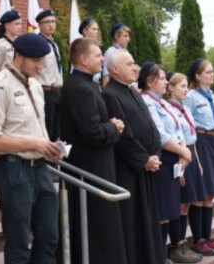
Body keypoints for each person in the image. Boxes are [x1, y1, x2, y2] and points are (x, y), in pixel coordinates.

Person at [0, 33, 63, 263]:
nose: (40, 66)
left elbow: (35, 129)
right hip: (13, 169)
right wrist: (34, 144)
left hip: (41, 169)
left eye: (42, 60)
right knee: (18, 241)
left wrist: (49, 148)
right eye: (35, 60)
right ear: (19, 56)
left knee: (49, 236)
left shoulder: (36, 86)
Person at [59, 38, 128, 264]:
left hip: (95, 164)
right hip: (90, 166)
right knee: (97, 225)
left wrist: (108, 126)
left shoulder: (86, 84)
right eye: (98, 56)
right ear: (83, 59)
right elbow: (93, 133)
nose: (102, 60)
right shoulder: (81, 88)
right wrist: (114, 127)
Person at [102, 49, 164, 264]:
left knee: (148, 220)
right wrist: (144, 160)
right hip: (129, 170)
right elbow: (124, 136)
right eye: (129, 64)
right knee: (134, 221)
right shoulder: (110, 94)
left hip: (146, 166)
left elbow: (151, 126)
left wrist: (155, 154)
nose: (135, 67)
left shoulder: (132, 91)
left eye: (134, 63)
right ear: (115, 69)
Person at [139, 62, 200, 264]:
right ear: (150, 81)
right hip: (163, 158)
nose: (166, 81)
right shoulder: (147, 102)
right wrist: (184, 151)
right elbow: (160, 135)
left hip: (176, 157)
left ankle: (163, 254)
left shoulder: (161, 102)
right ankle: (159, 255)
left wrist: (184, 154)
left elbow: (178, 128)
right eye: (162, 78)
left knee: (168, 211)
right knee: (162, 212)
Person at [184, 58, 214, 254]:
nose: (212, 74)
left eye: (212, 71)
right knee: (201, 191)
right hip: (200, 141)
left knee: (211, 191)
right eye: (208, 72)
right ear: (198, 75)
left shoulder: (210, 94)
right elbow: (187, 122)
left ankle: (207, 236)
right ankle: (198, 239)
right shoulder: (191, 96)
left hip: (213, 141)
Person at [164, 72, 210, 258]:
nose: (186, 90)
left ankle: (182, 242)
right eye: (182, 86)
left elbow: (191, 138)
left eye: (186, 86)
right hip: (179, 155)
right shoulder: (168, 109)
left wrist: (196, 160)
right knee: (180, 202)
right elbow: (173, 137)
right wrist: (181, 162)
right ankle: (176, 244)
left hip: (190, 153)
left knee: (187, 203)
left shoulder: (185, 108)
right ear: (171, 88)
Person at [36, 9, 63, 142]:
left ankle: (54, 162)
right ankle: (46, 162)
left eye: (53, 21)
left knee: (56, 132)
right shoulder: (39, 44)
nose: (51, 25)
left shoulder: (54, 45)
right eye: (47, 22)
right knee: (47, 130)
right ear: (39, 25)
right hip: (45, 90)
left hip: (57, 91)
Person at [0, 9, 22, 74]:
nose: (19, 27)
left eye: (20, 24)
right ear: (7, 26)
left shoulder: (20, 43)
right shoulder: (0, 45)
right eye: (16, 24)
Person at [102, 23, 131, 87]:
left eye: (128, 36)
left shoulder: (125, 52)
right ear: (116, 36)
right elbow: (106, 75)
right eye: (125, 36)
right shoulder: (110, 52)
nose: (128, 39)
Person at [78, 17, 102, 82]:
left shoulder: (96, 46)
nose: (97, 31)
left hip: (94, 82)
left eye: (97, 29)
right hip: (83, 81)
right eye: (94, 29)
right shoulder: (80, 47)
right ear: (85, 31)